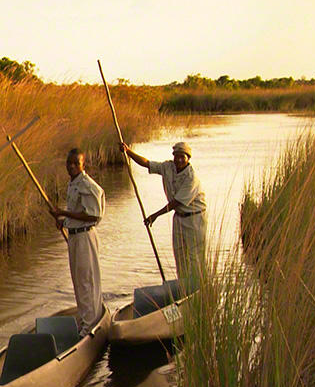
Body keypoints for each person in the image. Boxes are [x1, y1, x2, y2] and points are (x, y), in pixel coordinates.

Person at [119, 139, 207, 288]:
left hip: (195, 219)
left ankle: (200, 289)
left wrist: (155, 215)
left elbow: (176, 203)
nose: (179, 160)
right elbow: (147, 163)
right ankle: (184, 289)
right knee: (180, 256)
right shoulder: (168, 167)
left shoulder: (192, 178)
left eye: (182, 157)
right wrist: (128, 152)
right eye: (176, 156)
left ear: (188, 158)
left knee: (195, 257)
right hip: (179, 218)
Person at [48, 148, 105, 334]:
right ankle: (85, 319)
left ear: (83, 164)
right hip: (75, 236)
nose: (71, 166)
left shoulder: (89, 186)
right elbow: (78, 213)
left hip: (85, 237)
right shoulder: (72, 184)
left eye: (76, 163)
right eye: (69, 163)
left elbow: (93, 216)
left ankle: (91, 325)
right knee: (78, 280)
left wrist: (63, 213)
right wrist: (65, 222)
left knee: (86, 280)